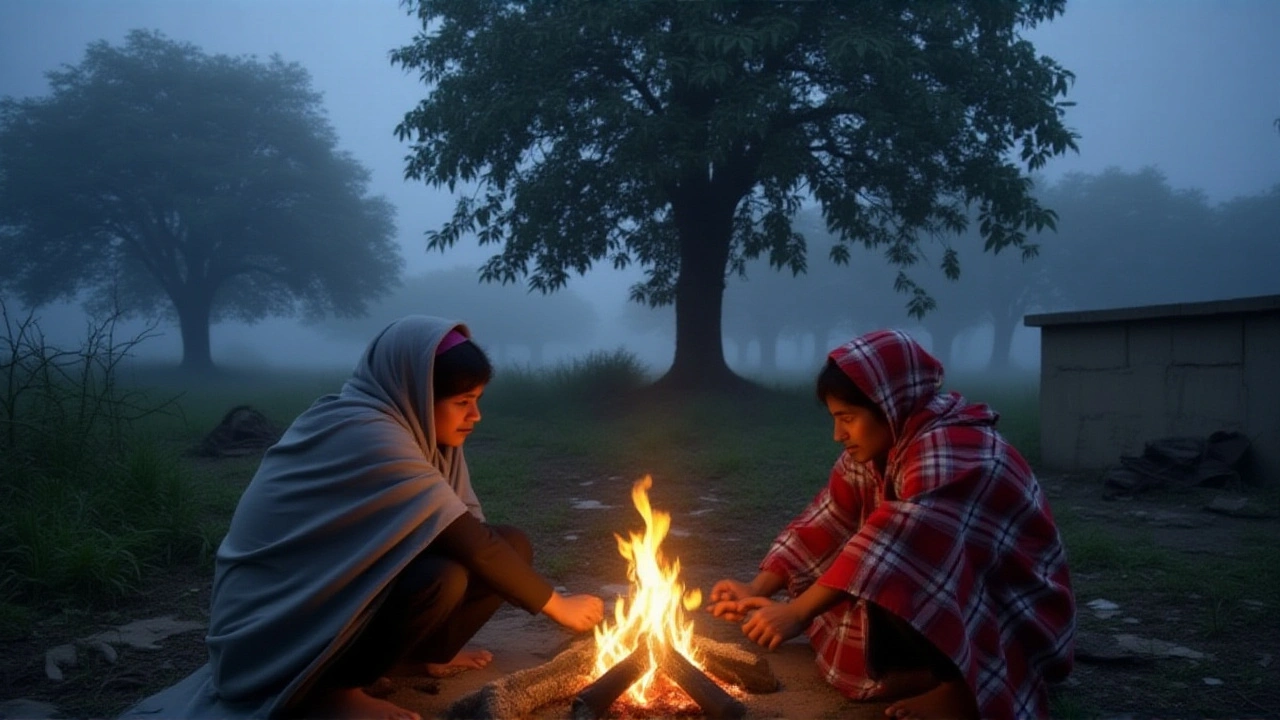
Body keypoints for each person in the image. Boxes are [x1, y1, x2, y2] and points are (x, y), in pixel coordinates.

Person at [119, 316, 605, 720]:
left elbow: (472, 533)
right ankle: (332, 692)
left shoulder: (418, 433)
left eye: (477, 400)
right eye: (461, 402)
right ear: (414, 391)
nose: (475, 416)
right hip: (278, 620)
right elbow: (469, 542)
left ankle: (417, 656)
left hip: (341, 595)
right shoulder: (365, 432)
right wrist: (558, 606)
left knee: (511, 545)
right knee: (446, 573)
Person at [707, 329, 1074, 720]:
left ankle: (962, 690)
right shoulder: (885, 445)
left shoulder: (950, 447)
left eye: (847, 418)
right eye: (834, 419)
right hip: (954, 592)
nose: (837, 434)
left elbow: (893, 544)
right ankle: (919, 672)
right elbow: (827, 520)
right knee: (862, 575)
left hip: (1013, 612)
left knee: (890, 565)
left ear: (888, 404)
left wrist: (797, 612)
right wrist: (756, 587)